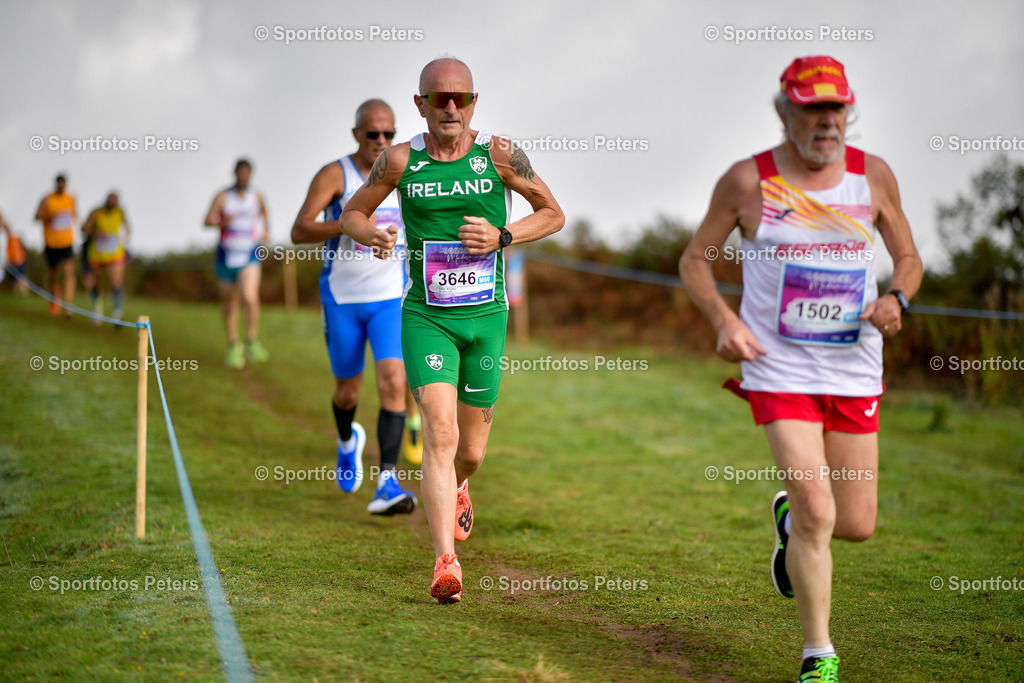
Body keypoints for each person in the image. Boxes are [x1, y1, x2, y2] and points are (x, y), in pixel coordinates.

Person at [679, 56, 922, 682]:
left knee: (856, 524)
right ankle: (820, 657)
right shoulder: (748, 182)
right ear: (785, 110)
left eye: (835, 108)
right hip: (778, 366)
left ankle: (787, 521)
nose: (826, 121)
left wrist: (897, 298)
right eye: (812, 109)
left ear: (849, 110)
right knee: (821, 512)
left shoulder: (873, 179)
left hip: (854, 367)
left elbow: (908, 257)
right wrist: (723, 321)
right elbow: (696, 259)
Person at [340, 57, 564, 603]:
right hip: (425, 315)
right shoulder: (398, 161)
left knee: (470, 451)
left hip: (485, 318)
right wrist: (371, 234)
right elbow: (351, 213)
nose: (449, 107)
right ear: (419, 105)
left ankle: (463, 486)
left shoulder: (501, 155)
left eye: (459, 98)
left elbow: (553, 213)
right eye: (438, 98)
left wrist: (503, 235)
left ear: (473, 103)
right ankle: (446, 562)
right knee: (440, 433)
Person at [291, 98, 419, 516]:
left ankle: (386, 481)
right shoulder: (335, 174)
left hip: (389, 297)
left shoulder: (403, 172)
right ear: (355, 135)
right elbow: (299, 229)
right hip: (342, 298)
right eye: (372, 134)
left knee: (393, 380)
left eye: (389, 134)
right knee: (347, 391)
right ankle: (347, 442)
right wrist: (355, 224)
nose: (381, 142)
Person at [204, 159, 271, 369]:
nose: (244, 177)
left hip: (249, 253)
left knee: (249, 296)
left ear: (250, 175)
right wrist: (222, 222)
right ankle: (234, 344)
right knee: (229, 303)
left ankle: (251, 339)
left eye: (247, 174)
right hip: (226, 255)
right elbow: (207, 221)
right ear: (235, 174)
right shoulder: (223, 197)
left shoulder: (256, 196)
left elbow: (265, 211)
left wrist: (267, 229)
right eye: (240, 174)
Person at [81, 192, 131, 324]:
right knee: (97, 283)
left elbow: (128, 228)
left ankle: (117, 312)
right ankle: (97, 309)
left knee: (116, 281)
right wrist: (94, 232)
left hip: (115, 254)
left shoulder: (120, 213)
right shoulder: (96, 213)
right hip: (97, 255)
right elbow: (84, 228)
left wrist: (127, 235)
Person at [34, 174, 77, 317]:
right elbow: (37, 216)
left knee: (68, 271)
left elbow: (74, 216)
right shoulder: (47, 199)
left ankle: (68, 306)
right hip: (51, 243)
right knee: (53, 274)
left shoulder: (71, 198)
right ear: (56, 184)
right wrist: (49, 216)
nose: (61, 186)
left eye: (63, 184)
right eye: (59, 184)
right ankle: (54, 294)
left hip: (66, 242)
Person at [1, 212, 29, 294]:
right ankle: (17, 294)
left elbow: (16, 250)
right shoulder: (8, 237)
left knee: (20, 279)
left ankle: (23, 294)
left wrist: (16, 259)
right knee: (14, 280)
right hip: (12, 261)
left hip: (17, 260)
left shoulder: (13, 236)